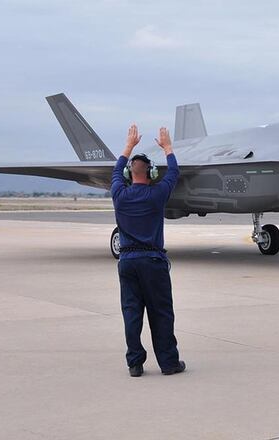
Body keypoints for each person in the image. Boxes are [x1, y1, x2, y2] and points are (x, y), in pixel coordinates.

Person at [111, 124, 185, 377]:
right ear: (152, 174)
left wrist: (128, 146)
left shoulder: (119, 194)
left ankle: (135, 363)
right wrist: (168, 147)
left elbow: (115, 174)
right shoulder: (157, 194)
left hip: (128, 262)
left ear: (129, 174)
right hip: (153, 261)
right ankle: (169, 363)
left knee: (131, 313)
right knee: (161, 312)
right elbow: (174, 172)